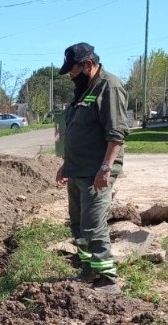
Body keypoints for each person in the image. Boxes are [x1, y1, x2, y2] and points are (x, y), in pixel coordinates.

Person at [56, 42, 129, 295]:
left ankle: (107, 279)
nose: (70, 75)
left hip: (96, 172)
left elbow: (117, 133)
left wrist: (106, 168)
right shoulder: (84, 88)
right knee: (78, 224)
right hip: (77, 169)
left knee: (93, 225)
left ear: (88, 64)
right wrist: (67, 164)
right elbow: (79, 130)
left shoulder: (109, 86)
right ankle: (89, 271)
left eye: (72, 70)